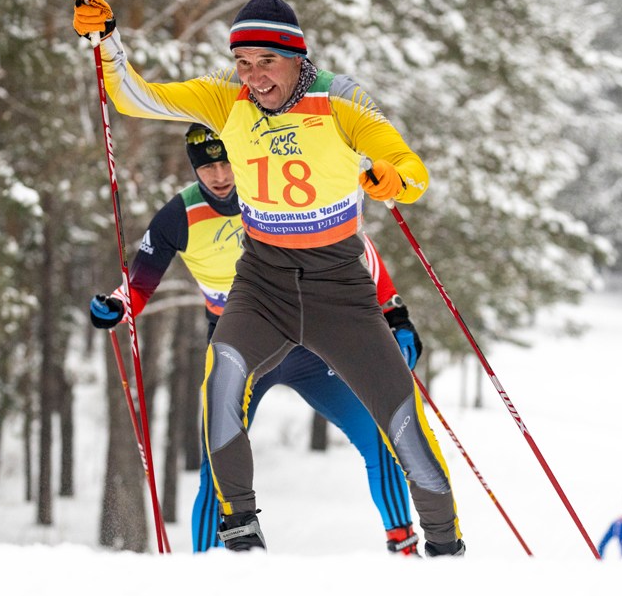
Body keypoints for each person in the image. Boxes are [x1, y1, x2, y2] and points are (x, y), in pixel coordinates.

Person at [66, 0, 464, 555]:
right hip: (262, 286)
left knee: (401, 415)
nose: (254, 76)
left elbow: (408, 164)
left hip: (340, 292)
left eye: (267, 62)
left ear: (297, 56)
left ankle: (446, 547)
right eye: (243, 62)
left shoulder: (339, 99)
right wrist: (106, 41)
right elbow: (134, 97)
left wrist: (395, 178)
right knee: (221, 378)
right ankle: (239, 534)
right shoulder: (224, 103)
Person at [90, 124, 424, 555]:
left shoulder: (271, 188)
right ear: (196, 170)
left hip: (307, 342)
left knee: (381, 436)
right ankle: (207, 568)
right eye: (207, 166)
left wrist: (395, 313)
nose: (220, 175)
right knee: (218, 463)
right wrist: (116, 306)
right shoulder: (179, 215)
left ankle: (405, 544)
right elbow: (138, 284)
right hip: (239, 349)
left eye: (227, 161)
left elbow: (355, 245)